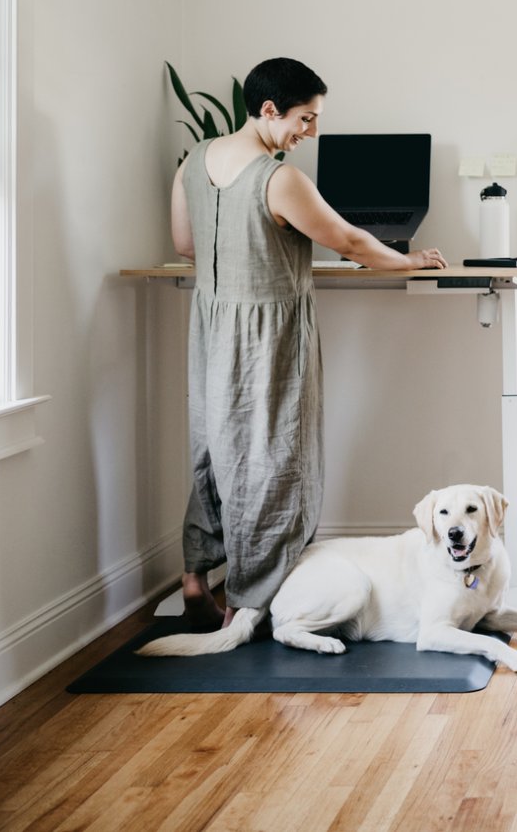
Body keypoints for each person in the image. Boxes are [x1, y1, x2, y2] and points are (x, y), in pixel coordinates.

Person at [168, 57, 445, 632]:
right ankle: (251, 603)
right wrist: (410, 259)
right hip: (270, 333)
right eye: (304, 118)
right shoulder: (279, 178)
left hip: (212, 325)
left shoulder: (192, 162)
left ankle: (197, 578)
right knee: (275, 459)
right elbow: (347, 239)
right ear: (270, 111)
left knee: (216, 449)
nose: (309, 132)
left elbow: (185, 244)